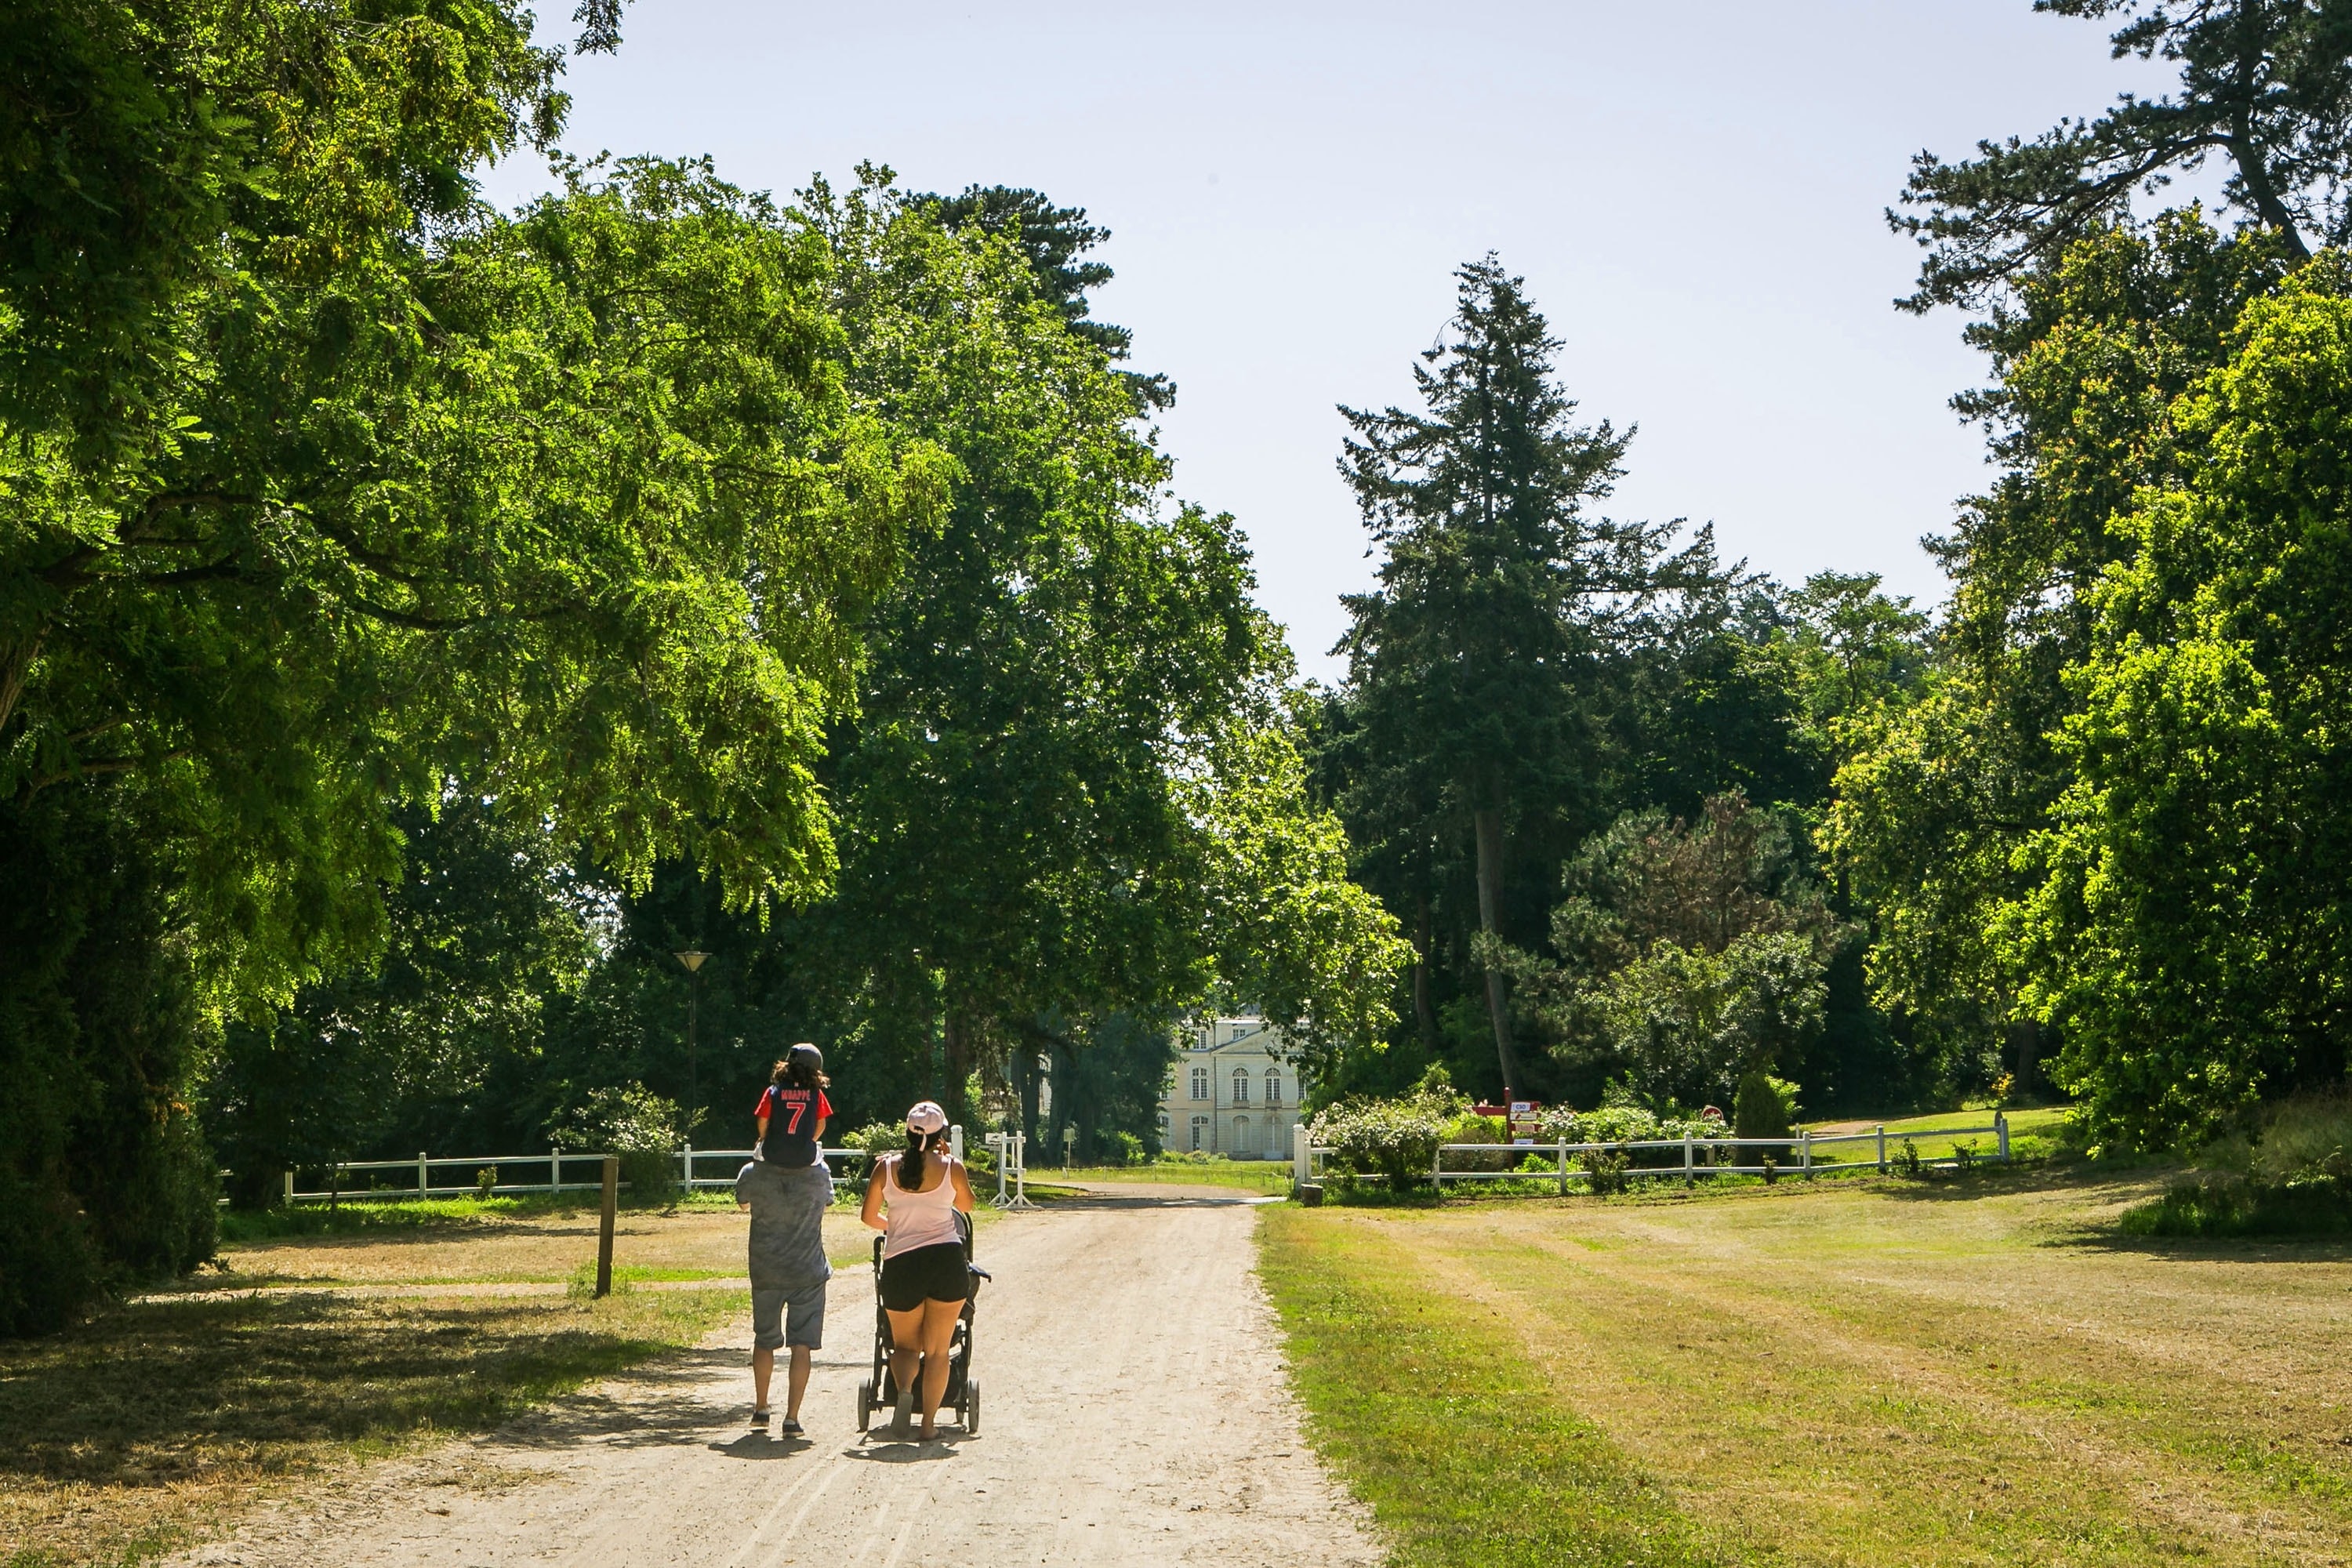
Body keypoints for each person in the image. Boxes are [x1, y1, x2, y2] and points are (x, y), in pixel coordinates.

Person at [860, 1101, 975, 1440]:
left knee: (905, 1347)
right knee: (939, 1351)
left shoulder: (886, 1167)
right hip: (945, 1260)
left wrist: (894, 1225)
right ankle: (927, 1428)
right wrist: (949, 1160)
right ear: (940, 1134)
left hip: (902, 1263)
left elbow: (868, 1217)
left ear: (908, 1133)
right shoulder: (951, 1167)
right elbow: (966, 1206)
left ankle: (906, 1390)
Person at [734, 1127, 833, 1436]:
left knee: (764, 1340)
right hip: (808, 1268)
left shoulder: (752, 1172)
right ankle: (792, 1418)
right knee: (801, 1345)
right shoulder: (820, 1172)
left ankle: (761, 1409)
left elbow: (743, 1205)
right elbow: (826, 1203)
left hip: (766, 1268)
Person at [755, 1044, 832, 1167]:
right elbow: (821, 1124)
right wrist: (810, 1142)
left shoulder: (774, 1090)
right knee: (823, 1168)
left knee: (757, 1156)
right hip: (806, 1155)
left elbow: (762, 1120)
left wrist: (764, 1138)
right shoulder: (817, 1094)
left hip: (773, 1153)